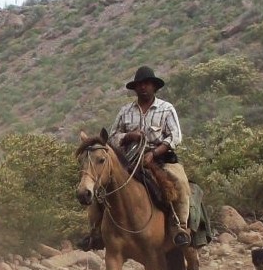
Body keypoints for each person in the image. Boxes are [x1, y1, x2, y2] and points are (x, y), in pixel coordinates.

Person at [79, 65, 192, 250]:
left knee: (179, 182)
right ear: (135, 88)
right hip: (129, 158)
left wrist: (154, 153)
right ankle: (95, 231)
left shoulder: (166, 108)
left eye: (147, 84)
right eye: (139, 84)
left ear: (154, 87)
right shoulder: (125, 111)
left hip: (161, 158)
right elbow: (112, 137)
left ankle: (180, 227)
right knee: (99, 184)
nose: (143, 87)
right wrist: (129, 136)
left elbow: (175, 137)